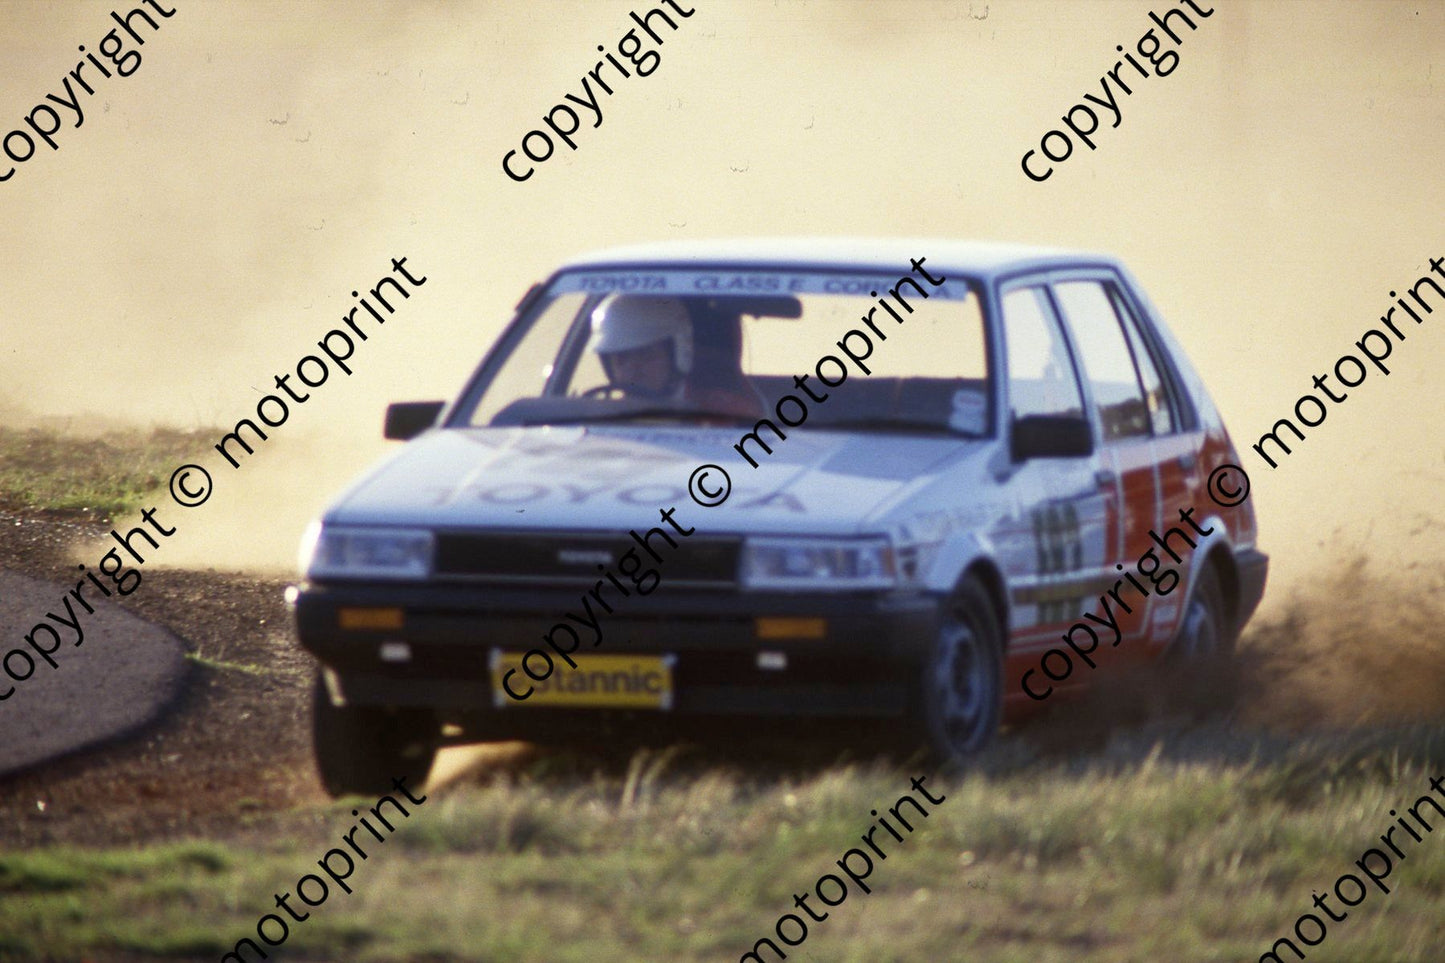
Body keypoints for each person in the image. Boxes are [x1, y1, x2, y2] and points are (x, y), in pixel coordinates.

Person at [587, 295, 764, 417]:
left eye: (646, 355)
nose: (633, 369)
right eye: (621, 359)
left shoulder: (728, 412)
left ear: (680, 353)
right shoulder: (596, 421)